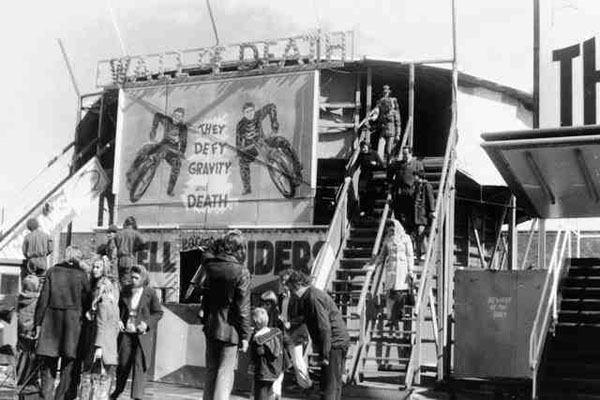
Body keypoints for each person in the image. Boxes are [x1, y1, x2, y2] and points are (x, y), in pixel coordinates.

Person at [33, 246, 91, 400]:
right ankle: (60, 397)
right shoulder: (82, 275)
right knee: (68, 364)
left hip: (51, 323)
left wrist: (37, 323)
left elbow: (43, 299)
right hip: (72, 325)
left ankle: (46, 395)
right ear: (78, 258)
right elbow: (88, 301)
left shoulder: (52, 271)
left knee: (48, 363)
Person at [201, 230, 252, 400]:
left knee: (211, 372)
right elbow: (242, 307)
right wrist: (245, 335)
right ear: (240, 249)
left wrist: (221, 241)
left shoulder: (210, 265)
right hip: (231, 329)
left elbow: (208, 251)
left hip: (211, 325)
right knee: (225, 373)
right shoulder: (241, 271)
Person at [284, 270, 350, 400]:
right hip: (334, 341)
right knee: (332, 383)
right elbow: (306, 317)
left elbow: (324, 327)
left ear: (297, 286)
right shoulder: (308, 296)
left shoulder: (312, 297)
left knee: (329, 385)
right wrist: (291, 323)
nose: (291, 294)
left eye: (291, 290)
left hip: (334, 342)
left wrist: (324, 353)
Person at [364, 219, 414, 368]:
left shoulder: (405, 238)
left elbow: (410, 255)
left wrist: (411, 271)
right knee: (390, 292)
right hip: (391, 269)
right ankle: (392, 316)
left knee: (400, 292)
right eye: (389, 227)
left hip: (403, 268)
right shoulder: (387, 240)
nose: (390, 229)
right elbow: (381, 256)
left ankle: (397, 314)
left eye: (392, 227)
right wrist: (373, 266)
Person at [111, 265, 163, 400]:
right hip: (127, 333)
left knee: (139, 365)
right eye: (132, 277)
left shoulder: (150, 293)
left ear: (143, 278)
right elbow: (119, 308)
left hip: (142, 335)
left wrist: (146, 324)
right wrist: (119, 320)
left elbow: (158, 312)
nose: (133, 280)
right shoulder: (126, 291)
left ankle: (137, 396)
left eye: (136, 278)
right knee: (123, 363)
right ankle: (118, 390)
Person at [278, 269, 312, 391]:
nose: (283, 283)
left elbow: (304, 316)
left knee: (297, 361)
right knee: (281, 361)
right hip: (282, 332)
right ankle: (278, 388)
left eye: (286, 281)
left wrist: (290, 323)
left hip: (295, 333)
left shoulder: (298, 296)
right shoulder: (282, 297)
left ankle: (307, 385)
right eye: (282, 281)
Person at [86, 256, 120, 382]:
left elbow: (102, 321)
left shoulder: (103, 287)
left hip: (102, 338)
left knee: (98, 377)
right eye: (93, 267)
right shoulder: (102, 284)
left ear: (104, 269)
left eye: (98, 267)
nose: (94, 270)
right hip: (108, 337)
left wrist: (99, 346)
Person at [236, 102, 278, 195]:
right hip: (251, 148)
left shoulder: (258, 114)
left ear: (254, 110)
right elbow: (238, 142)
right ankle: (247, 188)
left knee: (281, 142)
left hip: (263, 141)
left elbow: (271, 106)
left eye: (251, 110)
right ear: (243, 113)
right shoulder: (240, 125)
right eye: (247, 112)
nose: (250, 113)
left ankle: (295, 165)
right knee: (242, 163)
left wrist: (274, 123)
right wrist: (241, 150)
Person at [148, 107, 188, 196]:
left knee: (177, 166)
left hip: (172, 151)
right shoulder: (167, 120)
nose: (176, 118)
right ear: (172, 115)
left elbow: (184, 141)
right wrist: (154, 129)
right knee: (159, 148)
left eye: (179, 117)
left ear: (181, 118)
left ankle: (170, 189)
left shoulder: (183, 128)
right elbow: (157, 115)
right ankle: (151, 160)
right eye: (175, 115)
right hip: (163, 146)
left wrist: (181, 152)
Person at [249, 307, 284, 400]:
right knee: (271, 395)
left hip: (262, 372)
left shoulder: (257, 338)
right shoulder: (276, 332)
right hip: (275, 371)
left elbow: (257, 353)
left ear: (256, 322)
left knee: (260, 395)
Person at [388, 146, 424, 235]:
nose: (404, 155)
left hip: (412, 192)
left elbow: (422, 176)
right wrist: (391, 183)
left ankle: (410, 232)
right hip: (400, 192)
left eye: (406, 153)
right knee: (399, 212)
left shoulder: (417, 164)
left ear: (410, 153)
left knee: (411, 213)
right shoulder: (398, 164)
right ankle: (402, 230)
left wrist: (418, 188)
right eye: (403, 154)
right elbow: (390, 173)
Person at [368, 85, 402, 163]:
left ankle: (389, 164)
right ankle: (380, 163)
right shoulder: (382, 112)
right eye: (384, 105)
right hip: (383, 132)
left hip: (391, 132)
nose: (385, 106)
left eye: (386, 105)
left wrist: (398, 134)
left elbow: (398, 123)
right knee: (380, 148)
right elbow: (377, 114)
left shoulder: (394, 112)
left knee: (389, 150)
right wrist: (372, 119)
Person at [114, 216, 147, 288]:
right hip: (130, 259)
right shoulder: (135, 233)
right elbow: (144, 242)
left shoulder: (118, 234)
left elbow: (115, 244)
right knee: (130, 281)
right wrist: (136, 248)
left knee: (121, 281)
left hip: (120, 260)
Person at [357, 140, 384, 218]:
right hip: (363, 176)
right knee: (361, 193)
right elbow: (356, 165)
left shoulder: (374, 154)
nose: (363, 149)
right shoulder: (361, 155)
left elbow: (381, 165)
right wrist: (349, 174)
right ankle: (363, 210)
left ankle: (369, 212)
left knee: (370, 194)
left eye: (364, 147)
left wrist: (376, 164)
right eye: (362, 148)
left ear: (368, 147)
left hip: (372, 177)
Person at [413, 172, 435, 261]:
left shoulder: (427, 186)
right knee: (418, 234)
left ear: (419, 177)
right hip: (417, 214)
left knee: (421, 232)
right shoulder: (417, 186)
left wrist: (432, 210)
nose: (414, 178)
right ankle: (418, 253)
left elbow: (430, 198)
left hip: (423, 214)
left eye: (415, 176)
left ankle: (425, 252)